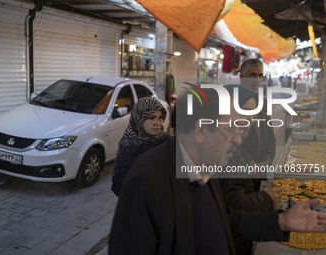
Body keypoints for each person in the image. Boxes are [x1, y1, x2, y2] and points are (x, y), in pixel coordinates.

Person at [109, 87, 326, 255]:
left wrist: (280, 222)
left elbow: (223, 220)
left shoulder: (203, 165)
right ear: (202, 129)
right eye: (232, 129)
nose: (239, 139)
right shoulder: (146, 182)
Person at [219, 84, 282, 255]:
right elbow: (234, 206)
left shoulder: (233, 147)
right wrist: (266, 199)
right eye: (244, 110)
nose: (251, 119)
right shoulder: (222, 154)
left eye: (252, 112)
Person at [111, 97, 168, 196]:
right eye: (151, 118)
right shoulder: (127, 146)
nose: (158, 123)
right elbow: (118, 184)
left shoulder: (167, 141)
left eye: (160, 118)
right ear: (139, 119)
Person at [239, 58, 276, 190]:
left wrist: (267, 161)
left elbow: (271, 136)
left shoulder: (263, 103)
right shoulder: (232, 104)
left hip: (260, 172)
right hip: (239, 172)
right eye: (252, 75)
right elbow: (228, 138)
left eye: (260, 75)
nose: (257, 79)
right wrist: (250, 162)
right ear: (241, 77)